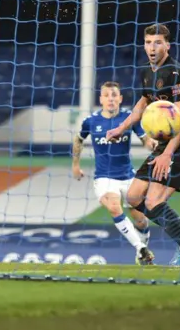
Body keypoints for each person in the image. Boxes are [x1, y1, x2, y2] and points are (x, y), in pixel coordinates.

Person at [106, 24, 180, 268]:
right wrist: (121, 127)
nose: (152, 47)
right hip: (163, 146)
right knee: (134, 196)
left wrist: (167, 154)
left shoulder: (176, 73)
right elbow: (143, 102)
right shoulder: (147, 72)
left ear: (167, 45)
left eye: (158, 42)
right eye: (149, 42)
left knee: (153, 202)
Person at [72, 81, 155, 265]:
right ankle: (140, 248)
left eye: (114, 95)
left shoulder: (129, 118)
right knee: (113, 206)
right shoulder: (91, 121)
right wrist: (75, 165)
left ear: (120, 99)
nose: (110, 99)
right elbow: (78, 140)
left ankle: (143, 247)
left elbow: (145, 140)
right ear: (101, 99)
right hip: (104, 178)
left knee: (141, 220)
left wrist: (152, 145)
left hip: (128, 177)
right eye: (107, 95)